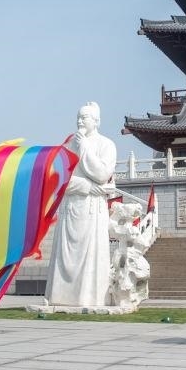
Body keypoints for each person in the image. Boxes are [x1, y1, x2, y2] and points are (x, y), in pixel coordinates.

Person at [44, 101, 118, 307]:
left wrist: (85, 148)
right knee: (65, 255)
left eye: (84, 117)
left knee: (91, 257)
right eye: (78, 117)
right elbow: (58, 180)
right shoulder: (67, 147)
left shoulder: (106, 145)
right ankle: (60, 297)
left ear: (96, 121)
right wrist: (86, 185)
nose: (79, 121)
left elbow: (102, 174)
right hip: (70, 208)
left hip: (92, 210)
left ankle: (90, 298)